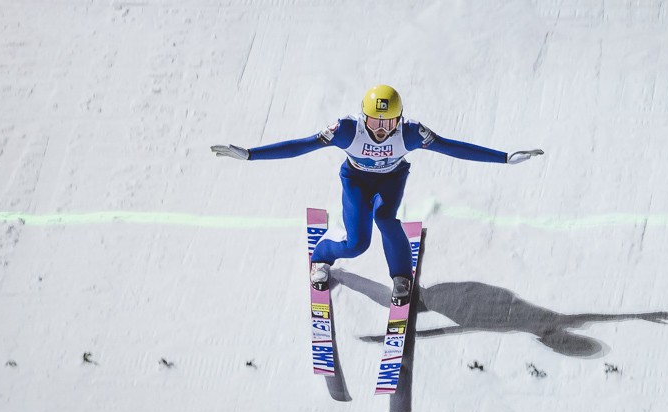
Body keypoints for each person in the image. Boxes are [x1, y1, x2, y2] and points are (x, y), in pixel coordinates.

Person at [212, 84, 543, 305]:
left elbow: (452, 147)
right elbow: (302, 145)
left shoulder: (411, 133)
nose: (381, 130)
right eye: (374, 121)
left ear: (400, 119)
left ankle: (401, 276)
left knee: (385, 218)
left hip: (390, 181)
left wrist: (503, 158)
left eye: (388, 123)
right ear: (362, 116)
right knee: (357, 244)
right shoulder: (346, 130)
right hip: (356, 181)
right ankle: (322, 256)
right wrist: (252, 154)